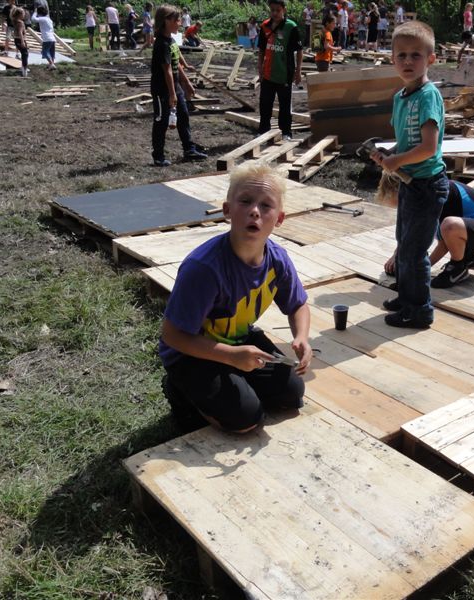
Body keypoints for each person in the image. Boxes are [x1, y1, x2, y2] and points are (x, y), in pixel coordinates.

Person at [159, 162, 313, 434]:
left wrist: (301, 336)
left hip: (239, 340)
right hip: (190, 353)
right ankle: (180, 391)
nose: (255, 211)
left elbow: (298, 304)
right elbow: (172, 336)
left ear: (279, 219)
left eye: (266, 206)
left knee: (292, 394)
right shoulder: (205, 268)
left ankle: (236, 381)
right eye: (245, 201)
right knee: (246, 421)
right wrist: (231, 357)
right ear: (228, 210)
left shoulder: (277, 259)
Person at [371, 20, 447, 329]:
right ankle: (406, 297)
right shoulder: (401, 97)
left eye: (416, 55)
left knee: (415, 252)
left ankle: (420, 310)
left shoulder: (428, 96)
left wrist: (398, 160)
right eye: (401, 55)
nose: (407, 61)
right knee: (404, 242)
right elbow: (407, 142)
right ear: (392, 59)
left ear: (431, 59)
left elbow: (429, 148)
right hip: (412, 185)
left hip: (428, 185)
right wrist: (389, 157)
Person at [383, 179, 474, 288]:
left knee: (448, 225)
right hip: (470, 229)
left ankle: (458, 267)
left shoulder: (439, 193)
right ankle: (469, 257)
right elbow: (410, 230)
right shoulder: (423, 192)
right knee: (441, 227)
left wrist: (422, 270)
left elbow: (444, 244)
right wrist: (397, 255)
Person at [150, 4, 207, 166]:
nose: (180, 23)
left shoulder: (171, 40)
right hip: (163, 90)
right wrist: (172, 94)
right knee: (161, 122)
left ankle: (189, 149)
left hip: (175, 87)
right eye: (177, 20)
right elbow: (167, 70)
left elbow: (177, 63)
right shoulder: (161, 44)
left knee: (183, 115)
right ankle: (158, 156)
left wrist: (187, 83)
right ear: (166, 21)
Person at [257, 0, 303, 140]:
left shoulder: (291, 27)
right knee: (265, 103)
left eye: (278, 10)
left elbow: (300, 50)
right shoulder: (265, 26)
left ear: (284, 9)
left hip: (285, 74)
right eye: (272, 10)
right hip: (268, 73)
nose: (275, 13)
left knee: (284, 105)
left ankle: (286, 132)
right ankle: (263, 131)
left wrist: (298, 71)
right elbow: (261, 50)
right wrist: (260, 68)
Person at [30, 5, 56, 69]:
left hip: (47, 38)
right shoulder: (49, 19)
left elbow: (33, 19)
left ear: (39, 13)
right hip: (52, 38)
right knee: (51, 52)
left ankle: (51, 64)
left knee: (44, 52)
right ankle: (52, 63)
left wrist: (35, 12)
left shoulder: (42, 19)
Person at [11, 6, 28, 76]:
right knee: (25, 54)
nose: (24, 14)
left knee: (24, 53)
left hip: (16, 39)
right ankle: (24, 70)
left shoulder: (15, 21)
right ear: (20, 14)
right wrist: (22, 41)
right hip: (20, 39)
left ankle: (23, 67)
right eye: (23, 13)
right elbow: (20, 32)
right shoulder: (20, 22)